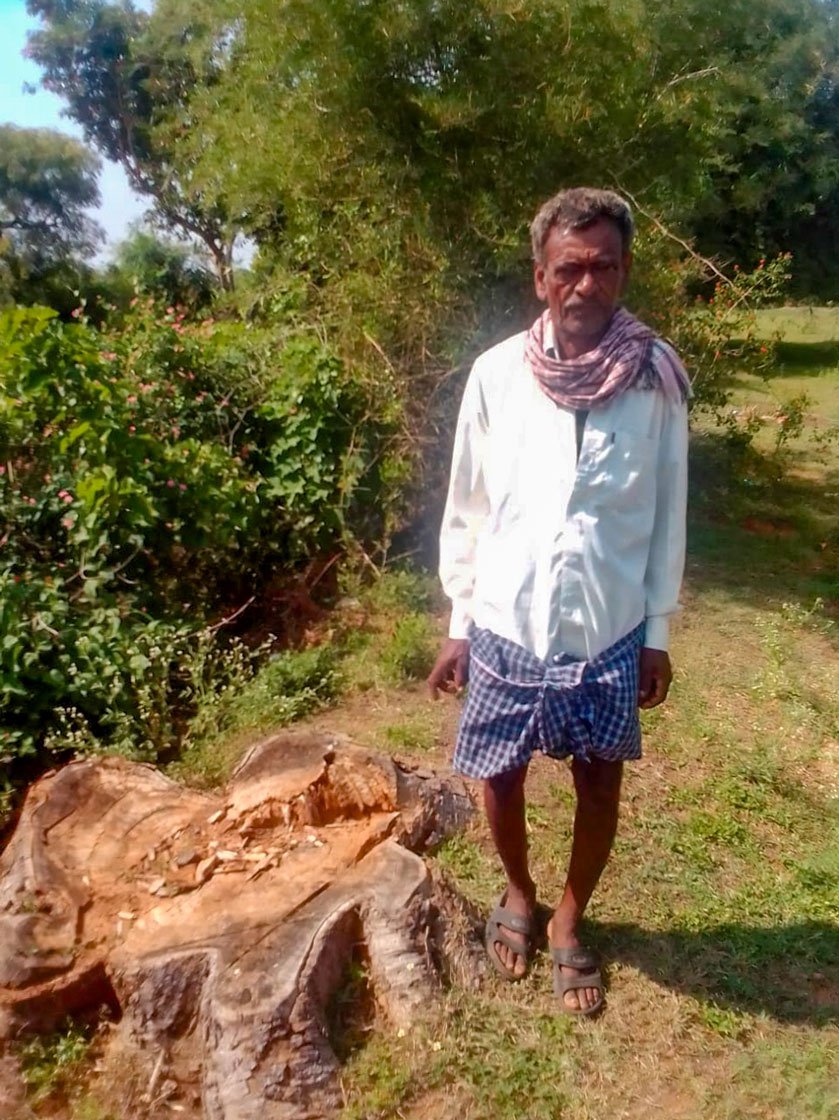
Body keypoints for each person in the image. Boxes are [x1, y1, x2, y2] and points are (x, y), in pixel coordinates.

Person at [427, 187, 689, 1016]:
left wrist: (655, 631)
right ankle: (518, 891)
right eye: (568, 269)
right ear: (541, 277)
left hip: (607, 627)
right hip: (506, 621)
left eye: (602, 267)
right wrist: (459, 623)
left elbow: (667, 512)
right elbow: (466, 505)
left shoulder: (655, 381)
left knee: (598, 785)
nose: (586, 284)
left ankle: (569, 919)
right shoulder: (496, 375)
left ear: (622, 272)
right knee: (497, 780)